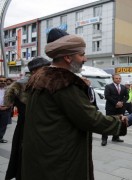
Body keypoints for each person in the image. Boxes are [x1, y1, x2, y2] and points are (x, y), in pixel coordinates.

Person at [21, 28, 126, 180]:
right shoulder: (63, 82)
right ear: (68, 58)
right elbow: (90, 118)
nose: (85, 59)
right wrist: (121, 122)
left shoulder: (40, 76)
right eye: (81, 54)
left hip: (42, 151)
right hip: (60, 157)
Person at [4, 57, 51, 180]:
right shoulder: (35, 85)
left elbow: (8, 102)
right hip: (30, 127)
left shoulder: (21, 85)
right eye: (45, 68)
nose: (48, 70)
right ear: (35, 70)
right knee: (27, 157)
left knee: (24, 157)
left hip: (27, 127)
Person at [101, 74, 128, 146]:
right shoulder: (108, 86)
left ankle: (115, 137)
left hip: (121, 108)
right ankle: (104, 139)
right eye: (116, 78)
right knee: (107, 123)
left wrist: (122, 102)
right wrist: (116, 103)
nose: (118, 79)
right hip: (111, 108)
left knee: (119, 122)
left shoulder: (123, 87)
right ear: (113, 79)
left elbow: (127, 96)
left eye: (119, 78)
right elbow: (107, 96)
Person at [0, 76, 11, 144]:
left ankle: (0, 138)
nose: (3, 82)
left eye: (4, 81)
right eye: (1, 81)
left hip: (6, 109)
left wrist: (7, 107)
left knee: (3, 125)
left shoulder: (9, 90)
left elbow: (12, 99)